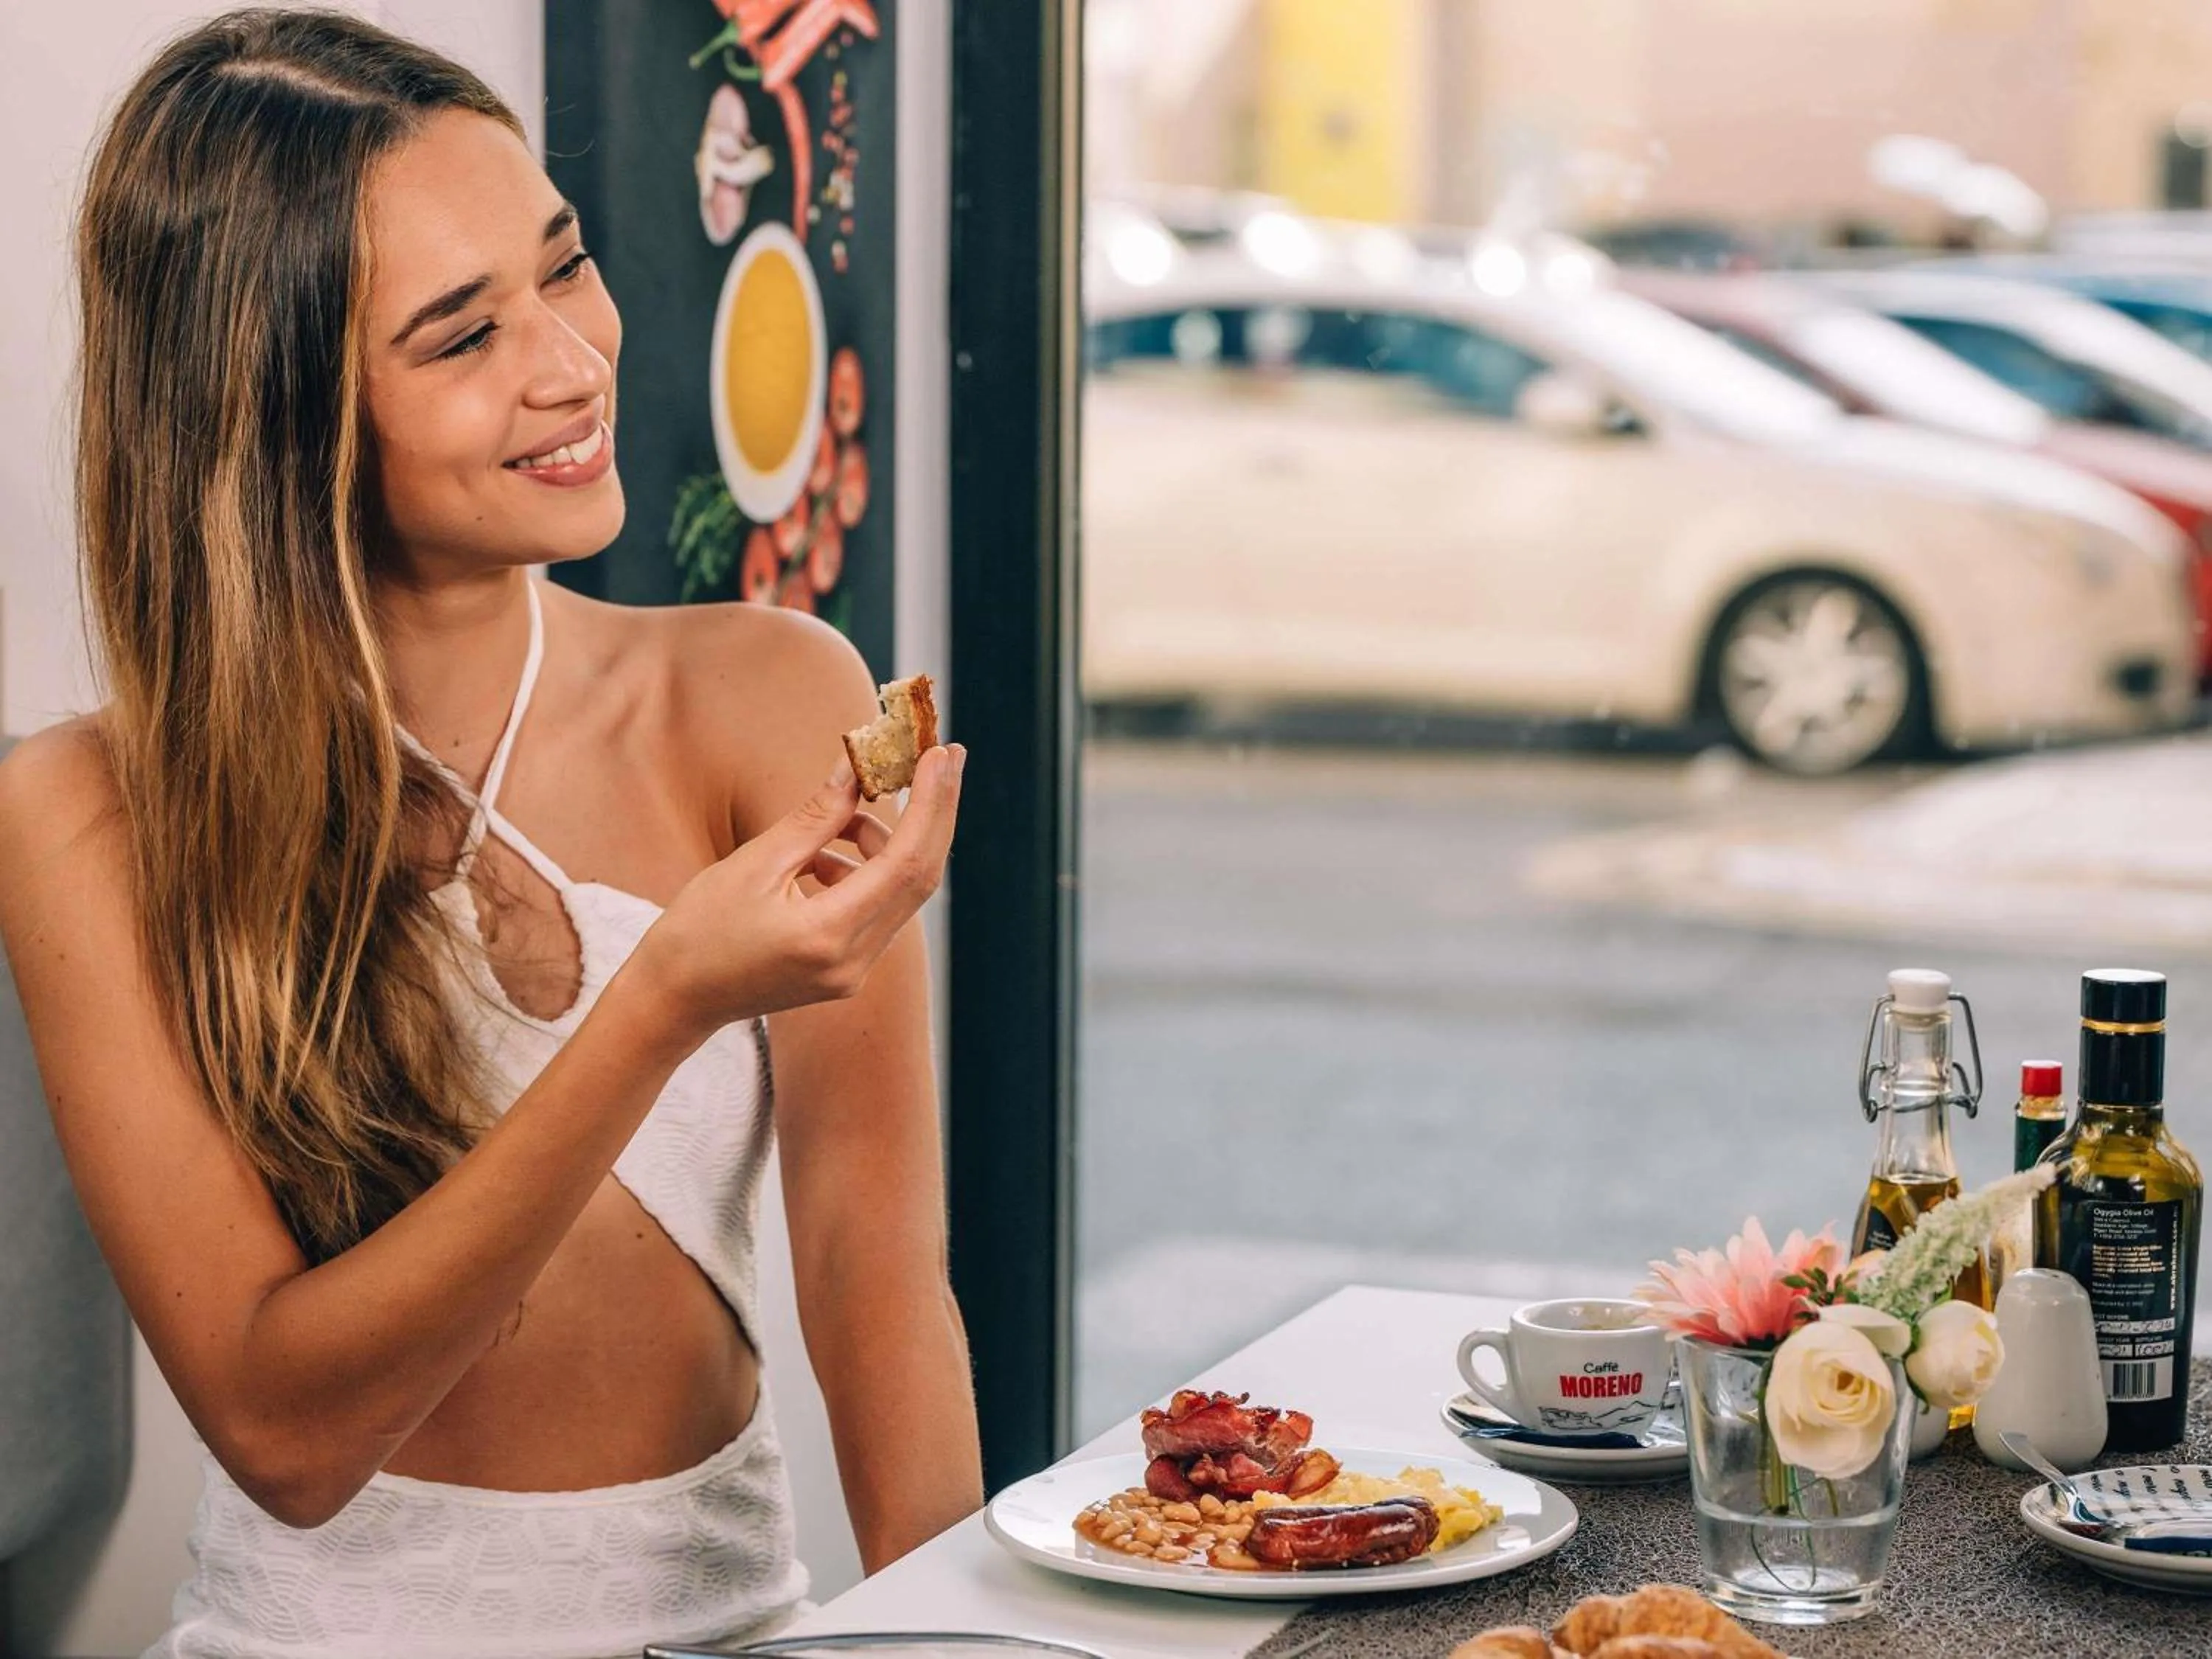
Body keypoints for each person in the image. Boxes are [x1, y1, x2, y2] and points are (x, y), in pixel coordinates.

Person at [0, 10, 978, 1655]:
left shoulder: (763, 692)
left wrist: (953, 1639)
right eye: (461, 337)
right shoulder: (85, 814)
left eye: (565, 264)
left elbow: (874, 1270)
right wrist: (657, 998)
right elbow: (286, 1436)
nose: (572, 360)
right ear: (275, 411)